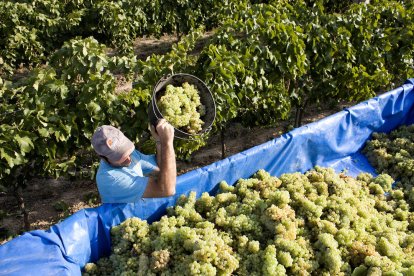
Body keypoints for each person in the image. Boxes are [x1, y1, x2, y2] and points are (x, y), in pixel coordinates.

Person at [91, 119, 176, 203]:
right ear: (103, 158)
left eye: (127, 152)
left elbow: (159, 166)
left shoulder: (132, 155)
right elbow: (167, 190)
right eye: (121, 157)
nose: (129, 159)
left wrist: (159, 141)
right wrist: (167, 142)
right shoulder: (111, 179)